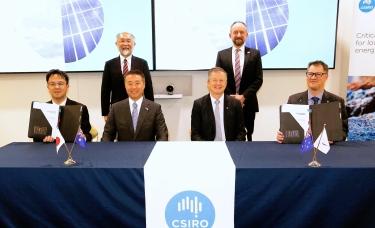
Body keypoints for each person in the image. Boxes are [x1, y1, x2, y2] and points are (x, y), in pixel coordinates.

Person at [276, 60, 348, 143]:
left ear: (326, 77)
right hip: (299, 149)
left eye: (318, 74)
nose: (313, 77)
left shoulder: (337, 101)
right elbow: (287, 127)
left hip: (328, 151)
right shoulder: (293, 100)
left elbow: (343, 131)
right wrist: (282, 135)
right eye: (310, 74)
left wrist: (334, 139)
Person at [216, 21, 263, 141]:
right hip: (227, 103)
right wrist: (231, 98)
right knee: (228, 135)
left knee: (248, 136)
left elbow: (258, 79)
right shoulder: (221, 55)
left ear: (246, 35)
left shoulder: (255, 54)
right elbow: (218, 80)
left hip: (248, 104)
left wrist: (243, 96)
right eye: (235, 32)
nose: (238, 35)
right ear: (230, 35)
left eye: (241, 32)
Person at [101, 32, 154, 122]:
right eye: (122, 41)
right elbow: (105, 90)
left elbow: (148, 88)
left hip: (138, 107)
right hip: (117, 109)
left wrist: (151, 109)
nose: (125, 44)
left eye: (128, 41)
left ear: (134, 44)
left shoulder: (142, 63)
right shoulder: (109, 64)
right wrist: (105, 112)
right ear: (116, 44)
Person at [102, 69, 168, 141]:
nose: (133, 87)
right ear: (125, 86)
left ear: (144, 85)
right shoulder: (116, 108)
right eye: (130, 84)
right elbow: (107, 135)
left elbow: (162, 135)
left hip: (147, 150)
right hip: (123, 151)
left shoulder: (155, 108)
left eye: (137, 83)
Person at [35, 69, 92, 142]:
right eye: (52, 84)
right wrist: (43, 139)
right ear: (48, 87)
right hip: (48, 149)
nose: (57, 87)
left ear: (67, 86)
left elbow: (88, 134)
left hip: (72, 149)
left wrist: (83, 138)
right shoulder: (41, 109)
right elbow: (36, 137)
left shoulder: (80, 108)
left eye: (60, 83)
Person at [191, 67, 246, 141]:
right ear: (208, 83)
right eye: (214, 80)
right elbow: (195, 134)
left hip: (230, 147)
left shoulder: (235, 104)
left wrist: (233, 147)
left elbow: (241, 132)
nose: (218, 83)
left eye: (221, 80)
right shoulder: (198, 104)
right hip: (208, 148)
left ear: (226, 83)